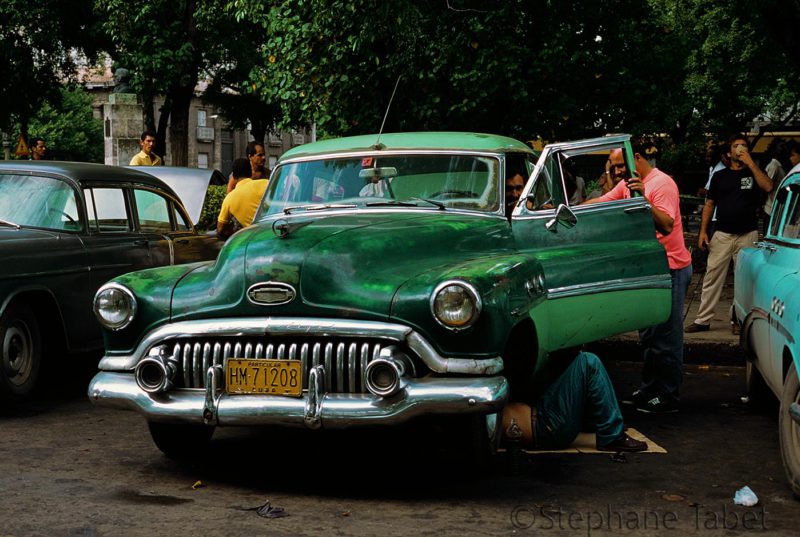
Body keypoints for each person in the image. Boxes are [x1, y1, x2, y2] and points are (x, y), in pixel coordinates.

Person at [584, 139, 692, 414]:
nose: (618, 171)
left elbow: (667, 225)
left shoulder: (661, 184)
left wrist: (643, 199)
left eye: (621, 165)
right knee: (649, 334)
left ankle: (668, 396)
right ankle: (651, 388)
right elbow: (602, 202)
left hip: (672, 268)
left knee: (667, 336)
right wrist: (571, 210)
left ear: (638, 158)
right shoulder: (628, 183)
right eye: (614, 166)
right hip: (649, 267)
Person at [686, 135, 773, 335]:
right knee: (712, 277)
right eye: (736, 146)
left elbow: (768, 187)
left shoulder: (754, 173)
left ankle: (738, 320)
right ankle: (702, 319)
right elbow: (709, 204)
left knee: (744, 280)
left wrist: (750, 163)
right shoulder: (720, 176)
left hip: (747, 235)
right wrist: (702, 232)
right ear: (728, 153)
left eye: (744, 145)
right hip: (722, 234)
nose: (740, 148)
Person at [501, 350, 647, 452]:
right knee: (588, 362)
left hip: (541, 418)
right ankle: (612, 436)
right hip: (545, 427)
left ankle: (597, 423)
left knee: (570, 364)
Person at [217, 157, 269, 240]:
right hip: (277, 232)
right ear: (250, 172)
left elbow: (220, 229)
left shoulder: (229, 199)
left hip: (256, 240)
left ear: (234, 176)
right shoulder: (266, 183)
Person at [761, 141, 786, 235]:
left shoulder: (779, 165)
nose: (783, 150)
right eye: (780, 147)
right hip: (770, 209)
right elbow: (766, 186)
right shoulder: (774, 166)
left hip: (776, 209)